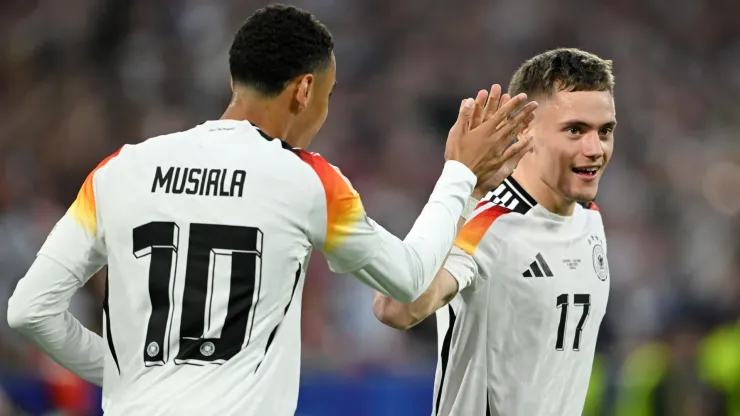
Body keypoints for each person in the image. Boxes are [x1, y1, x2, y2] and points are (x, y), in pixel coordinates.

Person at [6, 4, 537, 416]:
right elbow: (407, 278)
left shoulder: (118, 170)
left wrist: (122, 375)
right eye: (327, 96)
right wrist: (460, 177)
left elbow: (29, 309)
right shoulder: (306, 178)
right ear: (305, 90)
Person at [373, 48, 616, 416]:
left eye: (605, 131)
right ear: (525, 130)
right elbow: (396, 310)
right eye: (575, 130)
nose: (594, 149)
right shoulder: (486, 222)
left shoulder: (590, 221)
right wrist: (463, 187)